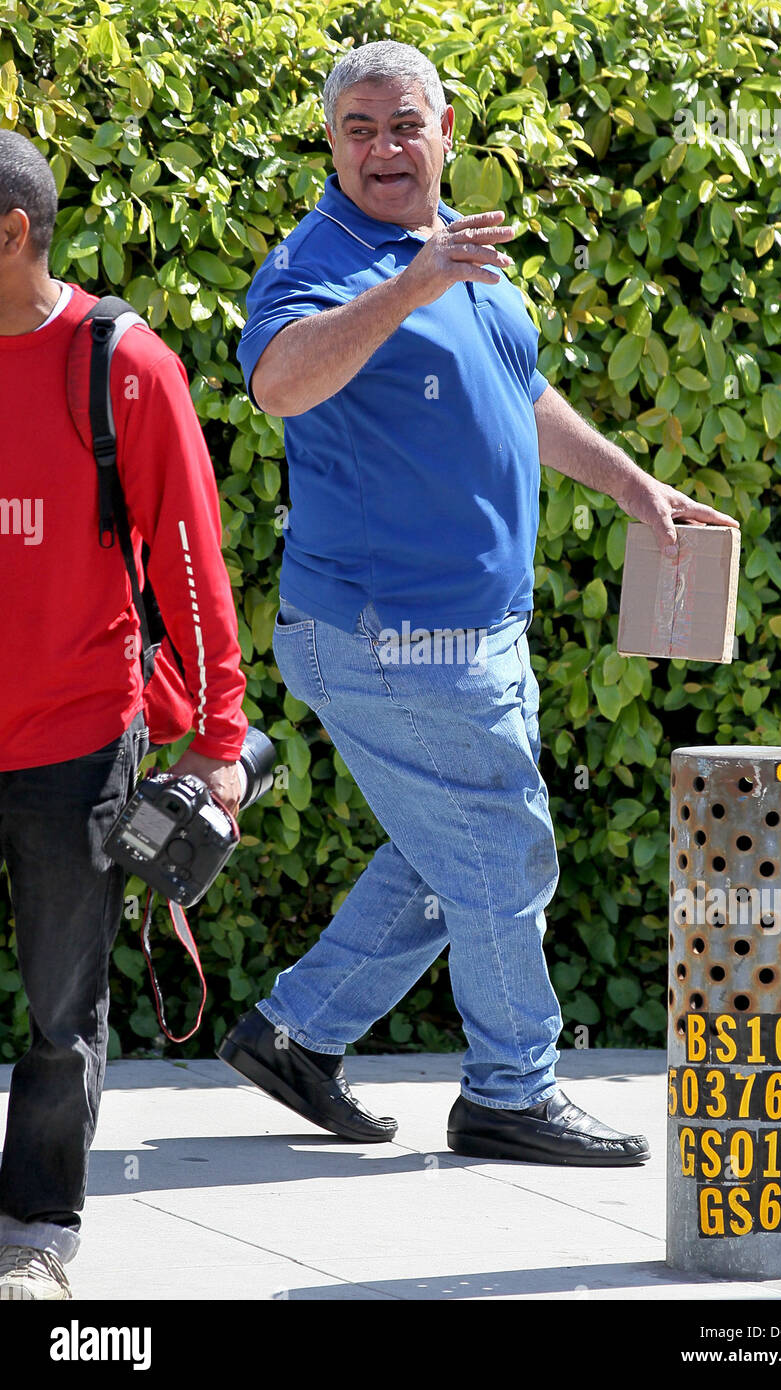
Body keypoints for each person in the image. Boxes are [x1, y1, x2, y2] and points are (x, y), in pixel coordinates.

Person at [220, 40, 739, 1165]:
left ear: (445, 130)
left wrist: (631, 484)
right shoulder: (322, 260)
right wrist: (409, 283)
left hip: (468, 633)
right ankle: (510, 1088)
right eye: (357, 129)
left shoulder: (456, 255)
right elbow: (277, 383)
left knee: (443, 845)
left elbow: (522, 391)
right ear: (330, 145)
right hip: (383, 632)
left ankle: (296, 1033)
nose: (381, 148)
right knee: (503, 854)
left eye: (402, 123)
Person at [0, 130, 248, 1299]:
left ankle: (37, 1231)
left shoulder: (123, 366)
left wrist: (217, 736)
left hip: (74, 738)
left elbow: (191, 559)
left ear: (13, 234)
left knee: (63, 1004)